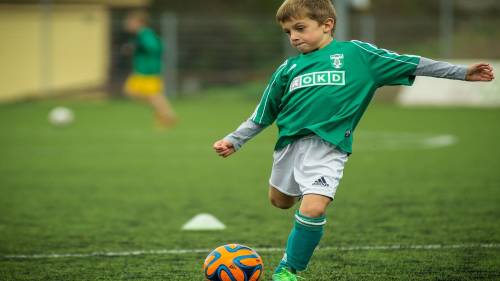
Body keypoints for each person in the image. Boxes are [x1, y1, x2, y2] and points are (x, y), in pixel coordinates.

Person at [213, 0, 495, 280]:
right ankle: (304, 191)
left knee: (313, 207)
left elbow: (411, 62)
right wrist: (234, 140)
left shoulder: (357, 54)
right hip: (289, 146)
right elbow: (263, 113)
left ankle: (288, 269)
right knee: (280, 201)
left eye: (300, 28)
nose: (294, 37)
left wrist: (461, 73)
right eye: (288, 32)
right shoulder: (287, 69)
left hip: (329, 148)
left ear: (327, 25)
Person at [123, 10, 176, 128]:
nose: (127, 24)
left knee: (152, 95)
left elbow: (155, 47)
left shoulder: (145, 34)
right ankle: (165, 114)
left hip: (147, 71)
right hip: (142, 70)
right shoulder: (142, 35)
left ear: (139, 22)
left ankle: (167, 115)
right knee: (135, 93)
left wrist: (137, 47)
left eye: (130, 22)